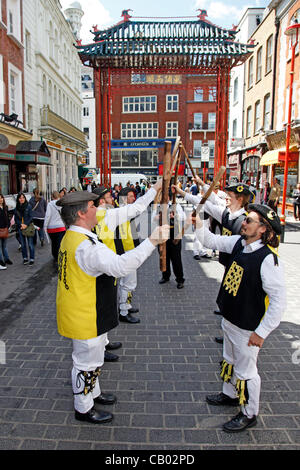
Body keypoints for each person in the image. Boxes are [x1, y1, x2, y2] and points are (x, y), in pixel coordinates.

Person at [56, 191, 168, 424]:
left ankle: (93, 393)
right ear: (81, 213)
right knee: (86, 363)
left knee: (92, 360)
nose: (98, 209)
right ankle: (83, 407)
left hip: (82, 309)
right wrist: (152, 241)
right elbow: (120, 266)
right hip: (86, 314)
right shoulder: (86, 246)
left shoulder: (75, 236)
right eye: (92, 206)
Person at [194, 203, 286, 433]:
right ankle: (230, 394)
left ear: (263, 229)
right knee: (229, 358)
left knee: (247, 370)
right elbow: (210, 241)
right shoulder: (238, 243)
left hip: (248, 325)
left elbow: (279, 302)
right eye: (245, 219)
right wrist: (197, 221)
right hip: (230, 317)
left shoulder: (267, 259)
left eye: (249, 221)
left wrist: (261, 333)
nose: (243, 223)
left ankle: (249, 412)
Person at [173, 179, 252, 343]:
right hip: (228, 262)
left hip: (241, 267)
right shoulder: (226, 214)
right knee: (229, 295)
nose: (226, 198)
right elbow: (203, 203)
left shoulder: (246, 222)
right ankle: (229, 330)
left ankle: (235, 334)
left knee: (237, 298)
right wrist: (181, 193)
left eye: (230, 196)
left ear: (240, 199)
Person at [93, 180, 161, 358]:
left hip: (106, 263)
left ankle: (104, 342)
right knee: (102, 307)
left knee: (105, 305)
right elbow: (138, 208)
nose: (112, 198)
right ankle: (100, 348)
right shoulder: (106, 215)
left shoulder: (100, 214)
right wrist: (155, 188)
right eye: (109, 197)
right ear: (101, 201)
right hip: (107, 264)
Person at [154, 189, 186, 289]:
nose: (164, 198)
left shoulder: (175, 205)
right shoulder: (158, 207)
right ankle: (165, 276)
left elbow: (183, 216)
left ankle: (180, 279)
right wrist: (156, 218)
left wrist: (175, 216)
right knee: (164, 257)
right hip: (162, 236)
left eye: (166, 196)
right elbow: (152, 220)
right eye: (162, 197)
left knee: (176, 259)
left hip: (174, 235)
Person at [43, 191, 66, 263]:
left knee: (54, 242)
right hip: (61, 226)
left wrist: (45, 226)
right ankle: (59, 255)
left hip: (51, 227)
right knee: (60, 242)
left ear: (52, 197)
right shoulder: (62, 204)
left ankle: (55, 255)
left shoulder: (50, 204)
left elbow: (48, 215)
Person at [14, 193, 35, 265]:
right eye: (20, 198)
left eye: (23, 198)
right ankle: (25, 258)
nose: (21, 199)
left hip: (28, 227)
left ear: (25, 198)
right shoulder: (16, 208)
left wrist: (26, 224)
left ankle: (32, 258)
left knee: (30, 244)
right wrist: (21, 224)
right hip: (20, 227)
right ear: (18, 199)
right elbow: (16, 219)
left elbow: (31, 217)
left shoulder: (28, 206)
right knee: (23, 244)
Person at [0, 194, 12, 269]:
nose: (0, 199)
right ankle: (1, 261)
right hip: (0, 229)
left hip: (5, 229)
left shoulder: (5, 207)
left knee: (4, 246)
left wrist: (8, 225)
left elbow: (7, 217)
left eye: (1, 198)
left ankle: (6, 259)